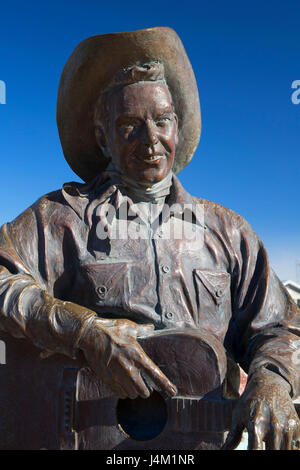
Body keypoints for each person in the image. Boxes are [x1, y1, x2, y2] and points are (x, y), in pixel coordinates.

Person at [0, 27, 300, 450]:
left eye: (162, 121)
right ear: (104, 137)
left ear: (177, 126)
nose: (151, 140)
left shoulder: (229, 231)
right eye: (130, 125)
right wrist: (85, 332)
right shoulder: (60, 219)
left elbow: (279, 326)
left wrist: (272, 380)